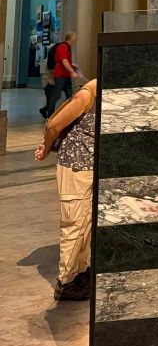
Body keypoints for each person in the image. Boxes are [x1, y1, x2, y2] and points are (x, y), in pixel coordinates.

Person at [34, 78, 97, 301]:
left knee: (86, 224)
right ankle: (66, 282)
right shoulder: (88, 94)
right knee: (74, 224)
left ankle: (81, 272)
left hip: (91, 168)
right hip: (75, 167)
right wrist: (46, 148)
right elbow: (54, 125)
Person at [41, 32, 81, 119]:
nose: (76, 40)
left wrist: (73, 67)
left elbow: (66, 61)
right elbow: (64, 61)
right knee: (56, 96)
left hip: (65, 75)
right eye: (75, 38)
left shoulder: (68, 47)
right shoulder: (63, 46)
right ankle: (50, 116)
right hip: (60, 75)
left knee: (70, 95)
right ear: (70, 38)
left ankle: (69, 115)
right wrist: (72, 72)